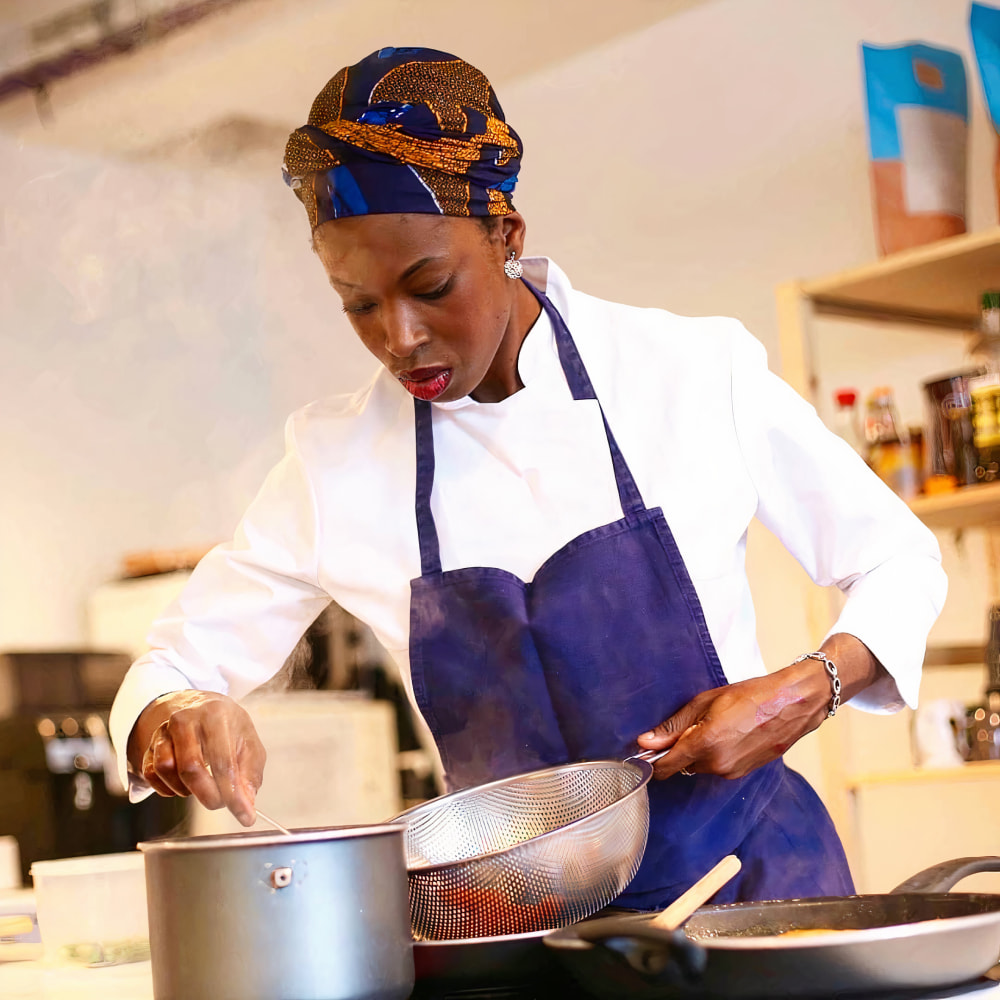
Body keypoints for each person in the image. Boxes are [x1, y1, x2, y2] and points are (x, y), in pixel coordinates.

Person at [110, 46, 946, 909]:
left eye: (429, 286)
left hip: (757, 889)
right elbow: (169, 667)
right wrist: (174, 716)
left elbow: (900, 562)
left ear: (508, 235)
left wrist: (814, 684)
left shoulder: (690, 370)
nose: (399, 337)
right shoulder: (336, 462)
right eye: (357, 304)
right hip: (522, 929)